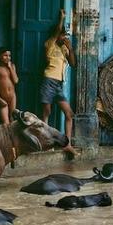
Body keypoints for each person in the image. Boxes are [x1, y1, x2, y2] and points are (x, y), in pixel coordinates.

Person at [40, 8, 78, 158]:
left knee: (69, 114)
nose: (64, 37)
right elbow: (56, 32)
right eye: (62, 35)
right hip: (48, 80)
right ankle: (45, 143)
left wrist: (70, 48)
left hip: (58, 85)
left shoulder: (64, 48)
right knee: (46, 113)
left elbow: (73, 64)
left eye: (65, 35)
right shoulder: (50, 44)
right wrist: (62, 18)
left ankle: (67, 145)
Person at [0, 47, 19, 124]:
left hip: (12, 97)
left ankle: (12, 136)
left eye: (9, 56)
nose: (8, 58)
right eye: (5, 55)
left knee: (13, 120)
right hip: (2, 99)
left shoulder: (12, 66)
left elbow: (15, 81)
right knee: (6, 123)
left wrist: (10, 68)